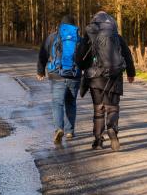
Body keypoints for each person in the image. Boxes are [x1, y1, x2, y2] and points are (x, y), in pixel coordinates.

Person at [76, 11, 135, 151]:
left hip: (95, 78)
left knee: (99, 109)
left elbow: (79, 57)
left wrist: (85, 69)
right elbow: (127, 55)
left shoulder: (90, 36)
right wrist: (131, 73)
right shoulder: (117, 37)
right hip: (115, 76)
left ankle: (98, 140)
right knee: (113, 107)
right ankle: (112, 130)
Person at [37, 14, 82, 145]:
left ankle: (59, 129)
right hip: (74, 75)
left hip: (57, 75)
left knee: (58, 103)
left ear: (60, 26)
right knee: (71, 102)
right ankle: (69, 131)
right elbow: (84, 57)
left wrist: (40, 71)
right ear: (74, 25)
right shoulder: (79, 38)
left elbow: (42, 54)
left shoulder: (52, 37)